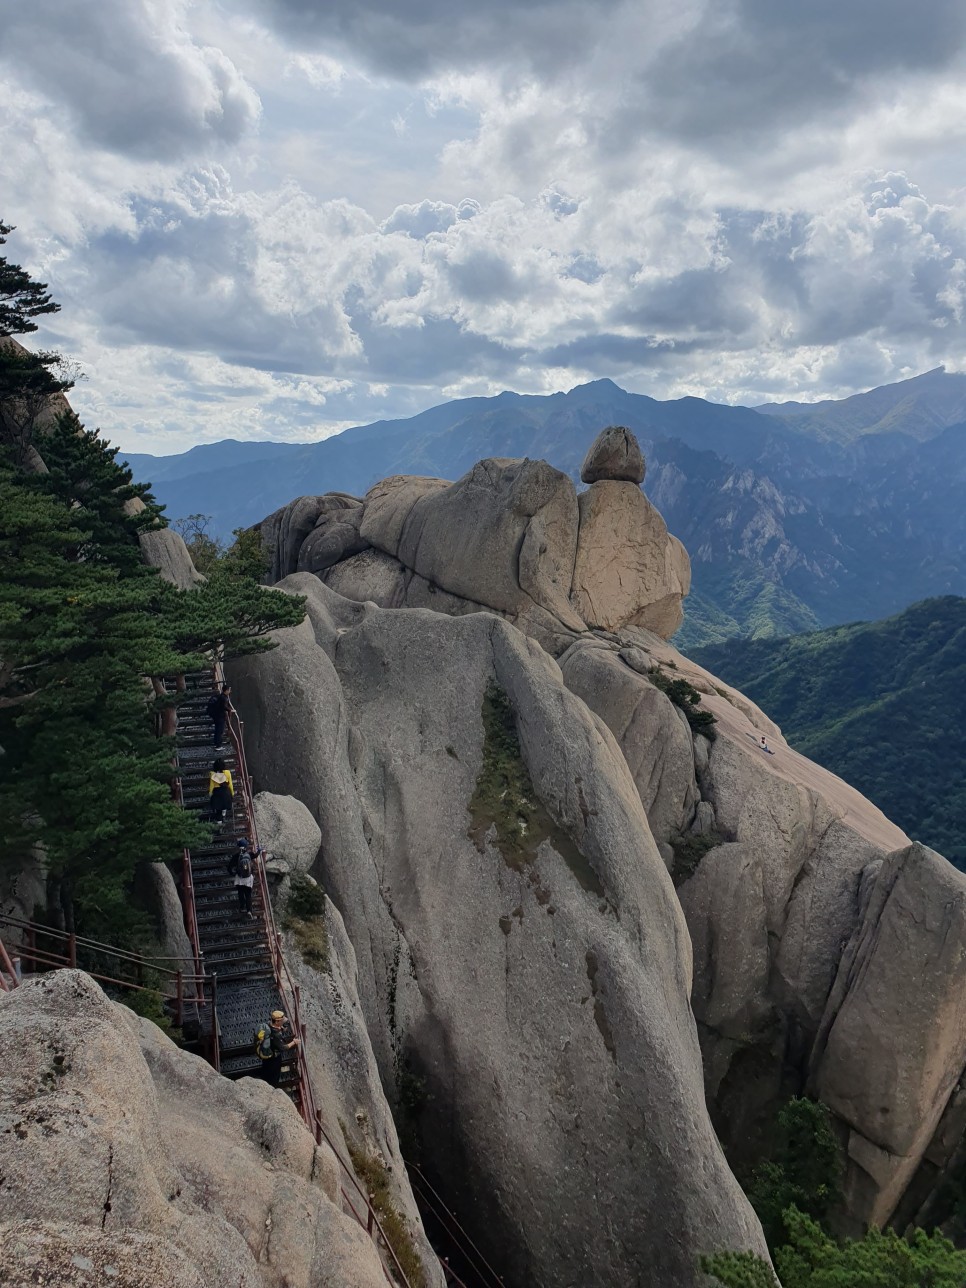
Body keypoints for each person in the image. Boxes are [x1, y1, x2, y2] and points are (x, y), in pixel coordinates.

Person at [263, 1009, 300, 1088]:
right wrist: (294, 1042)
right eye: (281, 1021)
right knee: (274, 1074)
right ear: (276, 1022)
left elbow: (274, 1031)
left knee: (266, 1070)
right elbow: (283, 1048)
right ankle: (272, 1087)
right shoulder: (276, 1035)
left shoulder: (268, 1025)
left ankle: (265, 1079)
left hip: (266, 1054)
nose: (283, 1022)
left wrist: (281, 1028)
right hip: (273, 1058)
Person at [228, 838, 259, 919]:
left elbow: (229, 867)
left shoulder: (236, 856)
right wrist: (259, 851)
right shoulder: (249, 854)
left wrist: (233, 873)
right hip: (248, 878)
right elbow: (255, 855)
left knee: (240, 893)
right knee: (248, 895)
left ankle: (242, 907)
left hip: (240, 878)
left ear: (239, 847)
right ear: (246, 847)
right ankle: (249, 911)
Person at [208, 756, 234, 829]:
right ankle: (224, 814)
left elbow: (211, 786)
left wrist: (210, 793)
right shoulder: (228, 773)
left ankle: (219, 826)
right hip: (226, 792)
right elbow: (230, 784)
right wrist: (232, 793)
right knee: (224, 805)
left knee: (218, 810)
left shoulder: (213, 774)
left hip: (217, 794)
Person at [206, 683, 231, 749]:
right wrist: (230, 710)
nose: (229, 691)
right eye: (229, 690)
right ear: (226, 690)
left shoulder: (220, 696)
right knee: (220, 730)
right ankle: (218, 745)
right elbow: (224, 706)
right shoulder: (224, 698)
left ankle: (216, 743)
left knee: (217, 730)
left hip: (216, 715)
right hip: (220, 716)